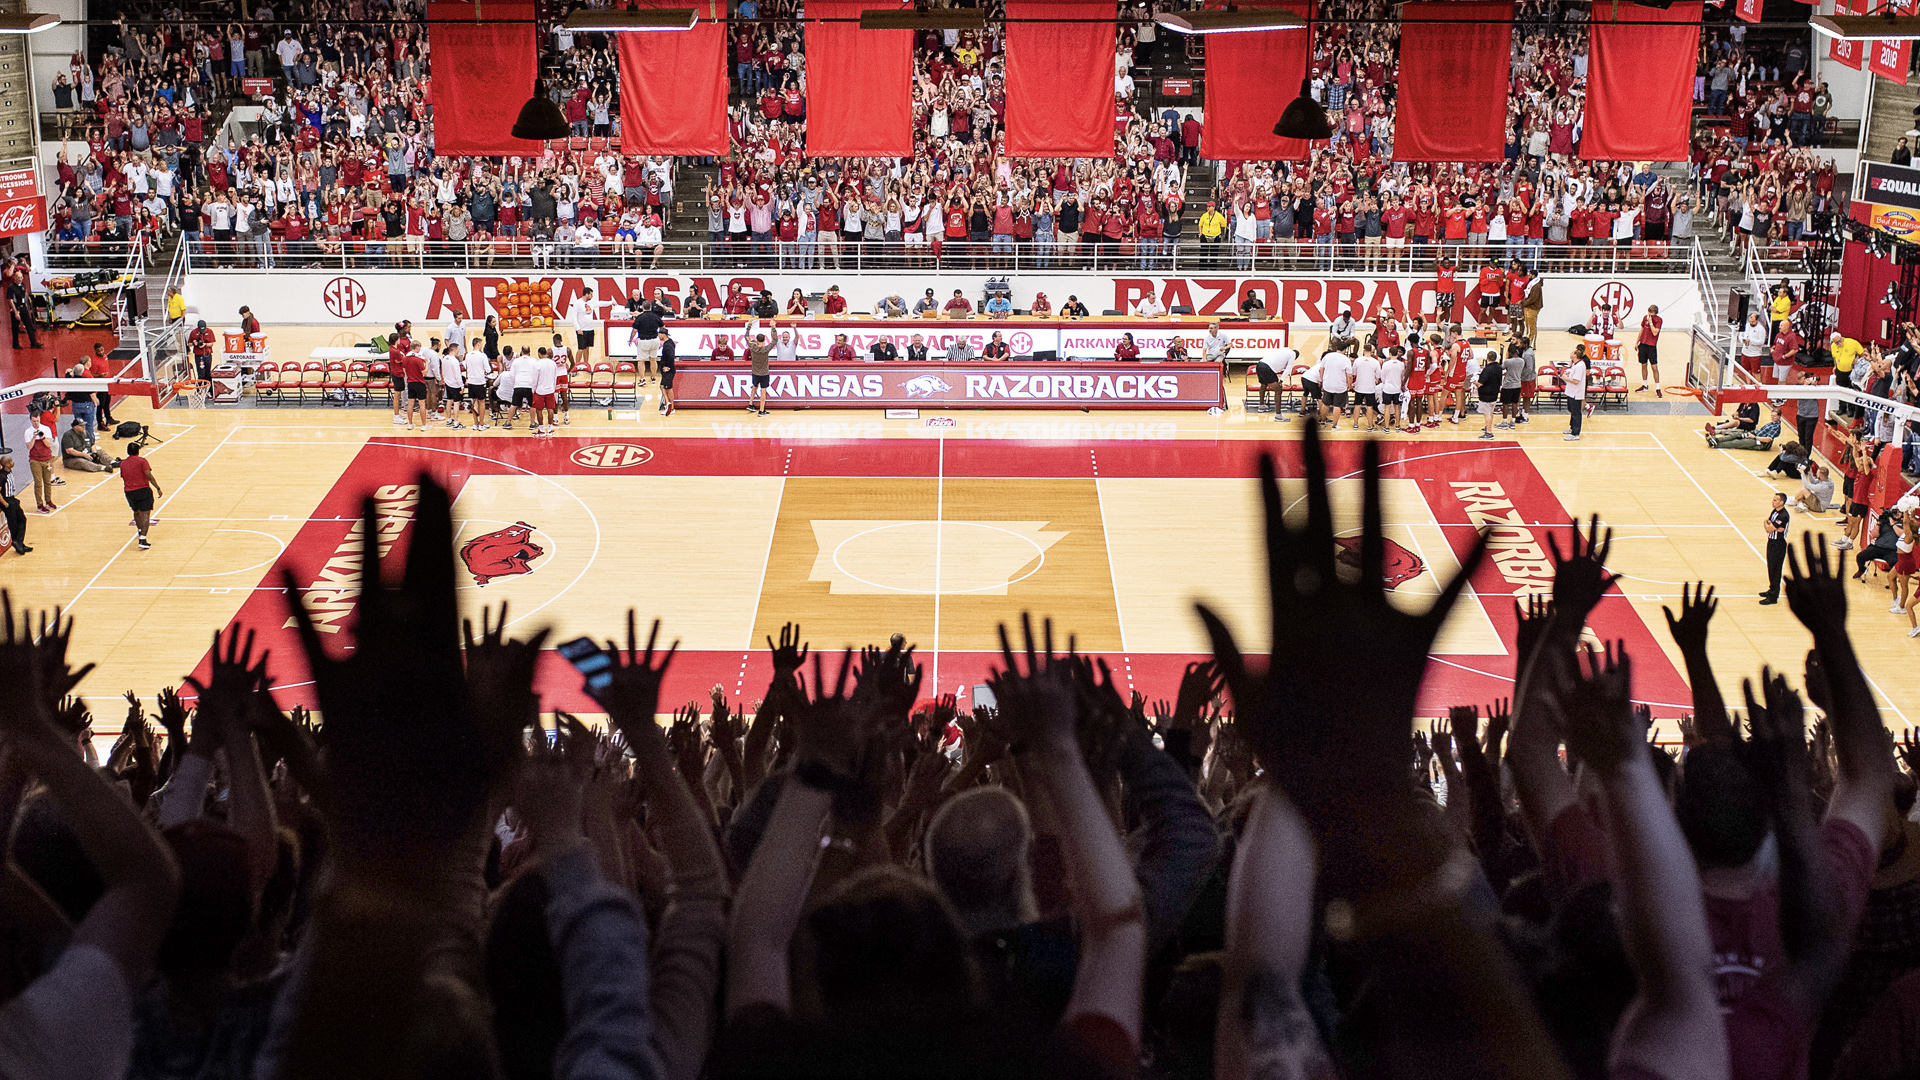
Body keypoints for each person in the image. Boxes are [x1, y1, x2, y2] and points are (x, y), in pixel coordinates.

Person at [120, 440, 161, 549]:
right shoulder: (142, 461)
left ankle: (139, 530)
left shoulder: (123, 463)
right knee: (145, 514)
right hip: (142, 490)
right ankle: (142, 538)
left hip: (129, 491)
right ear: (138, 451)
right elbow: (149, 475)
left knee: (136, 512)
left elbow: (123, 476)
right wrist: (157, 487)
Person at [1759, 490, 1788, 603]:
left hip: (1778, 544)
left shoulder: (1783, 515)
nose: (1773, 502)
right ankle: (1771, 590)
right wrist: (1770, 525)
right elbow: (1767, 523)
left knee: (1776, 569)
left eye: (1775, 500)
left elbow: (1769, 528)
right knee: (1771, 567)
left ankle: (1773, 597)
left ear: (1781, 502)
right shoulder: (1775, 512)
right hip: (1771, 542)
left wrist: (1770, 526)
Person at [24, 411, 55, 513]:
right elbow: (29, 447)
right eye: (34, 421)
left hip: (47, 459)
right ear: (30, 420)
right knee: (38, 482)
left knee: (47, 481)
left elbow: (48, 444)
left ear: (40, 419)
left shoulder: (46, 429)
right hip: (35, 460)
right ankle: (39, 504)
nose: (36, 423)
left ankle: (48, 500)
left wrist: (42, 437)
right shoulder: (28, 432)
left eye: (37, 421)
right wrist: (33, 437)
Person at [568, 286, 598, 370]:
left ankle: (586, 365)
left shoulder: (591, 302)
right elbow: (574, 317)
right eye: (591, 294)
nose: (592, 296)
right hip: (582, 330)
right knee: (581, 349)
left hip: (590, 329)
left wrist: (611, 302)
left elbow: (600, 303)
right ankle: (575, 367)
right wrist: (578, 328)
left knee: (587, 348)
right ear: (586, 294)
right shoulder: (578, 303)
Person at [0, 456, 26, 553]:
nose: (12, 462)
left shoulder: (9, 472)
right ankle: (18, 544)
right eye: (10, 461)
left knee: (22, 519)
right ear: (6, 464)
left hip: (13, 499)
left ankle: (19, 542)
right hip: (8, 500)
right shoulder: (2, 476)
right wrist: (5, 504)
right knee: (13, 523)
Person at [1637, 303, 1663, 395]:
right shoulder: (1645, 318)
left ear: (1655, 314)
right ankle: (1644, 385)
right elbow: (1642, 330)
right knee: (1643, 365)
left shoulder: (1658, 320)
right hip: (1643, 344)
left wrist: (1651, 322)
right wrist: (1637, 342)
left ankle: (1657, 388)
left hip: (1651, 346)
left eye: (1651, 314)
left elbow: (1655, 333)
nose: (1649, 315)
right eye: (1648, 313)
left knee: (1654, 367)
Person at [1563, 345, 1588, 441]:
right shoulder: (1575, 364)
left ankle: (1575, 433)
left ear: (1575, 355)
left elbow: (1576, 381)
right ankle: (1572, 427)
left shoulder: (1580, 365)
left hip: (1576, 393)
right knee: (1571, 410)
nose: (1570, 353)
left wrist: (1566, 378)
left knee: (1576, 412)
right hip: (1571, 392)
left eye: (1572, 352)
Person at [748, 333, 772, 416]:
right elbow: (775, 341)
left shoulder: (752, 348)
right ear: (764, 340)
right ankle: (761, 410)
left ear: (756, 340)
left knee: (754, 387)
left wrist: (749, 327)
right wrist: (773, 328)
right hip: (764, 373)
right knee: (763, 391)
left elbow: (746, 337)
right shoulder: (766, 349)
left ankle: (751, 403)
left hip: (755, 372)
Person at [658, 328, 677, 415]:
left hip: (668, 370)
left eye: (659, 334)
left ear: (663, 334)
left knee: (668, 388)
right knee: (662, 386)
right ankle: (667, 403)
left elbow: (671, 356)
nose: (658, 336)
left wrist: (668, 367)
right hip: (666, 370)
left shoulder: (668, 345)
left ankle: (671, 407)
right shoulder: (668, 343)